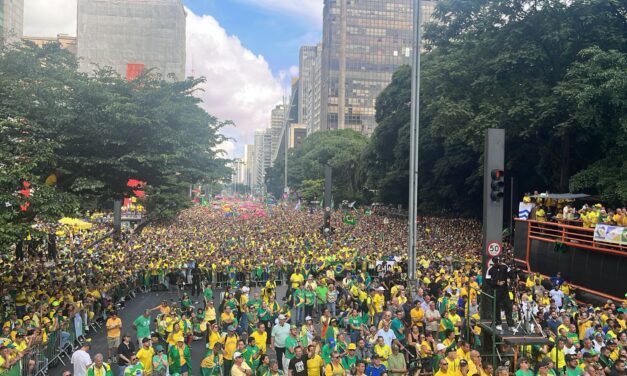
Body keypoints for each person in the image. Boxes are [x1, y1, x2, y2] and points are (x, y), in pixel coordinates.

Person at [486, 256, 515, 330]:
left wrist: (514, 275)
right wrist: (496, 283)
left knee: (508, 306)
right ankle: (498, 323)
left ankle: (511, 325)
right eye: (497, 261)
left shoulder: (505, 266)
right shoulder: (490, 269)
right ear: (494, 262)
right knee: (497, 307)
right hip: (495, 290)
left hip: (505, 290)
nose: (499, 263)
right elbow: (488, 280)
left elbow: (510, 274)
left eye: (499, 261)